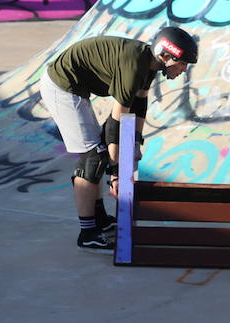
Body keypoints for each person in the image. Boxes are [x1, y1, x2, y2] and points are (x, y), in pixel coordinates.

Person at [40, 26, 199, 250]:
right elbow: (117, 121)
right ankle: (88, 234)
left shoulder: (149, 64)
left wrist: (135, 142)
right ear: (165, 56)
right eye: (182, 63)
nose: (184, 69)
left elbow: (139, 105)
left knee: (101, 153)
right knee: (94, 156)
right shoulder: (134, 67)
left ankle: (100, 220)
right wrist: (116, 173)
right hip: (62, 86)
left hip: (77, 87)